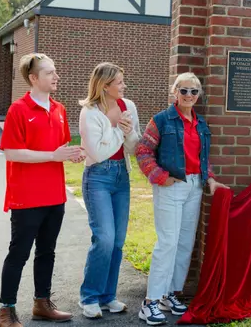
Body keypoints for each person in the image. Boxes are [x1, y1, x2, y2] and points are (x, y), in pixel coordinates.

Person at [0, 53, 84, 327]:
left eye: (55, 71)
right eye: (49, 72)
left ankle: (41, 303)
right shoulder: (18, 109)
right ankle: (6, 311)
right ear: (33, 78)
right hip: (26, 197)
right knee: (19, 253)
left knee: (47, 251)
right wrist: (53, 155)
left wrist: (72, 154)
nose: (56, 76)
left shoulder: (59, 109)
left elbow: (58, 149)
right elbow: (11, 152)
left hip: (55, 196)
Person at [136, 72, 228, 325]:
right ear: (174, 92)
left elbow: (203, 159)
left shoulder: (200, 124)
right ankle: (150, 302)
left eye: (193, 91)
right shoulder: (162, 120)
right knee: (167, 243)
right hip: (170, 186)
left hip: (194, 187)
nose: (188, 96)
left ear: (199, 95)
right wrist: (159, 176)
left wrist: (209, 179)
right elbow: (143, 150)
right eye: (183, 90)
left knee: (185, 243)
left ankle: (170, 294)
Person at [78, 62, 141, 318]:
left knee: (117, 241)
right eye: (119, 82)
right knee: (103, 238)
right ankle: (89, 297)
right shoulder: (89, 112)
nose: (124, 86)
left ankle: (108, 296)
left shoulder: (129, 106)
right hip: (98, 177)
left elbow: (133, 146)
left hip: (121, 176)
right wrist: (117, 129)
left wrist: (127, 134)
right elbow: (99, 153)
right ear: (105, 86)